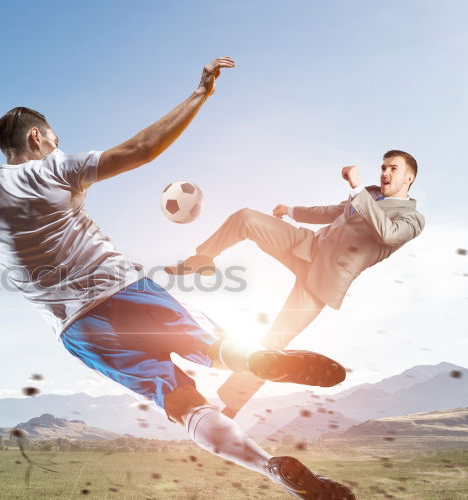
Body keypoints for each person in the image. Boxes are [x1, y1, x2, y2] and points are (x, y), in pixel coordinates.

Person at [0, 57, 354, 500]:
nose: (56, 145)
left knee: (183, 405)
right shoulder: (52, 169)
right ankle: (255, 360)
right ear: (36, 137)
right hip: (124, 291)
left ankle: (269, 468)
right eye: (54, 139)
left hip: (77, 330)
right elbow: (143, 148)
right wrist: (200, 94)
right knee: (214, 347)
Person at [166, 152, 425, 413]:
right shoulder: (369, 193)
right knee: (246, 217)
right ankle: (202, 259)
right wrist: (291, 211)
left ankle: (231, 405)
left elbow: (387, 234)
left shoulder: (412, 219)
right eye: (383, 167)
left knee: (273, 345)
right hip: (306, 245)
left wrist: (358, 189)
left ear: (409, 177)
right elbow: (333, 212)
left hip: (324, 280)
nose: (385, 173)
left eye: (393, 168)